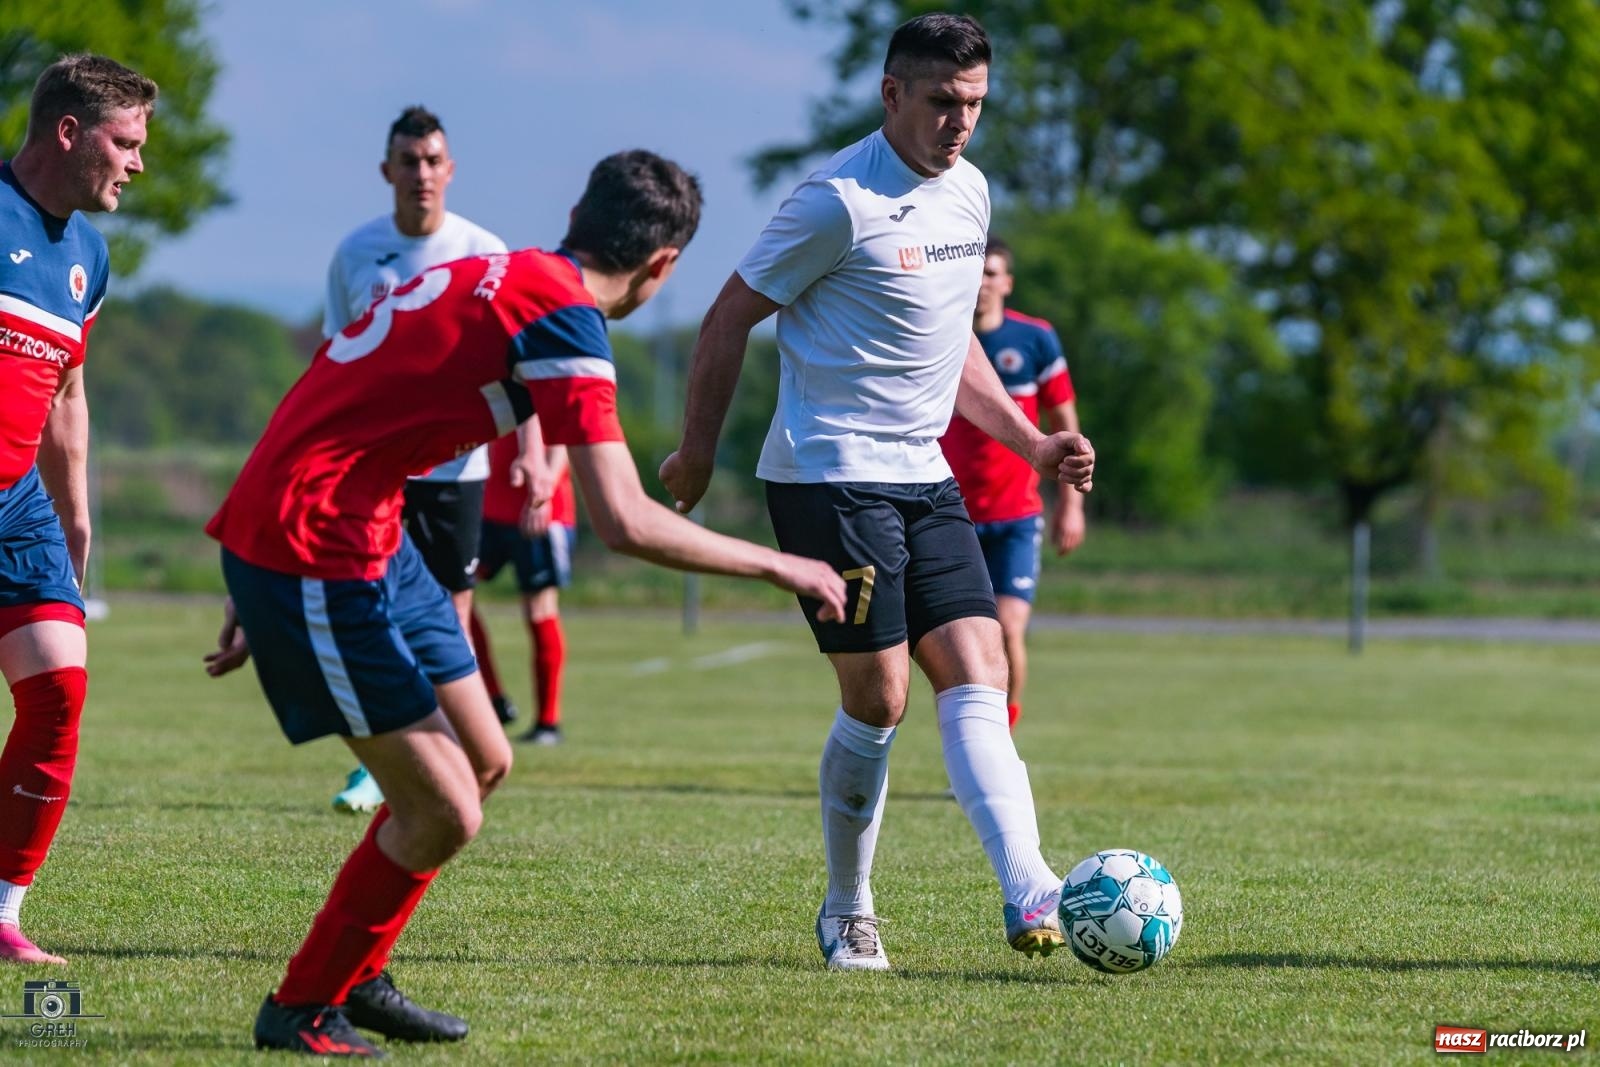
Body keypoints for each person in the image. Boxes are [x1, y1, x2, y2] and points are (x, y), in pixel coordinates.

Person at [203, 150, 846, 1056]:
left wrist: (245, 533)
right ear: (664, 266)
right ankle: (301, 1006)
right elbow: (622, 520)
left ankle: (357, 974)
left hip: (363, 531)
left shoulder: (495, 272)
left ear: (580, 212)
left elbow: (326, 386)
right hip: (319, 546)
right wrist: (787, 566)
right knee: (446, 811)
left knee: (484, 755)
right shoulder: (561, 312)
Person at [660, 13, 1095, 972]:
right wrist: (695, 454)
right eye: (942, 102)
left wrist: (1031, 442)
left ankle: (1032, 886)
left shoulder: (971, 193)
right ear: (892, 93)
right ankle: (848, 907)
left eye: (975, 105)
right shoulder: (837, 202)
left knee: (981, 665)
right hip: (828, 474)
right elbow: (729, 318)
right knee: (883, 694)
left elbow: (953, 349)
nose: (960, 124)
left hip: (924, 475)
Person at [0, 54, 155, 966]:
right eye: (126, 144)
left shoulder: (89, 257)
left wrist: (76, 509)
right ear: (70, 133)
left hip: (18, 502)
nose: (137, 164)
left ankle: (3, 910)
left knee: (59, 687)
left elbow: (66, 393)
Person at [322, 106, 509, 816]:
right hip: (377, 470)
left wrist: (540, 457)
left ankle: (446, 748)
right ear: (387, 171)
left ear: (449, 170)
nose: (421, 173)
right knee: (370, 608)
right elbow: (335, 361)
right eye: (409, 160)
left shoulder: (484, 251)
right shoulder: (355, 253)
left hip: (457, 471)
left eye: (433, 160)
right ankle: (386, 758)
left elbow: (521, 364)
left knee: (451, 616)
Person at [939, 236, 1085, 729]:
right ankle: (970, 740)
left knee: (1006, 633)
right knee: (951, 643)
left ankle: (999, 739)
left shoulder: (1035, 339)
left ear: (1007, 282)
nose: (981, 284)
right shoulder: (938, 333)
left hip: (1017, 518)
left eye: (991, 273)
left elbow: (1066, 426)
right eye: (975, 273)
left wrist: (1072, 505)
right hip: (948, 515)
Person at [468, 428, 573, 745]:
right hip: (489, 510)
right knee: (449, 596)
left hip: (540, 510)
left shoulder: (545, 377)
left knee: (539, 608)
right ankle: (493, 698)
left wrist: (544, 492)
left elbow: (561, 440)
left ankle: (547, 723)